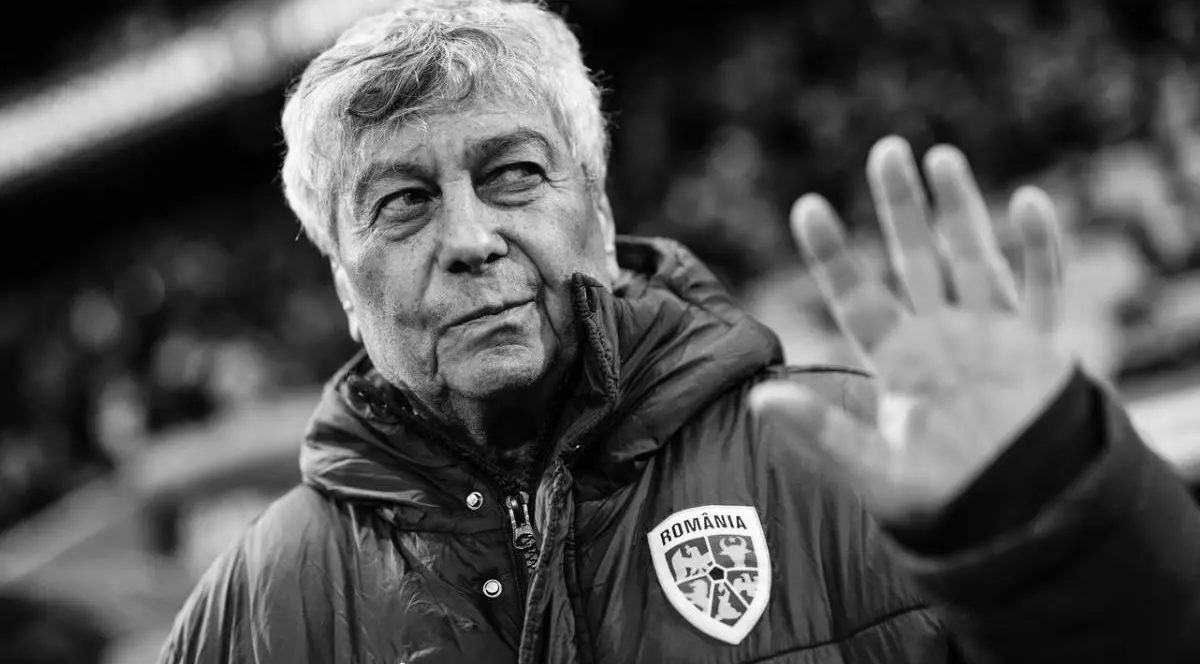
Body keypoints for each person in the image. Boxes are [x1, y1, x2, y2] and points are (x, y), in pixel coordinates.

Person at [159, 1, 1200, 662]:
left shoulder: (863, 456)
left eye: (512, 173)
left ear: (602, 216)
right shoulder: (253, 606)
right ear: (345, 286)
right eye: (403, 202)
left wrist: (1060, 522)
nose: (470, 238)